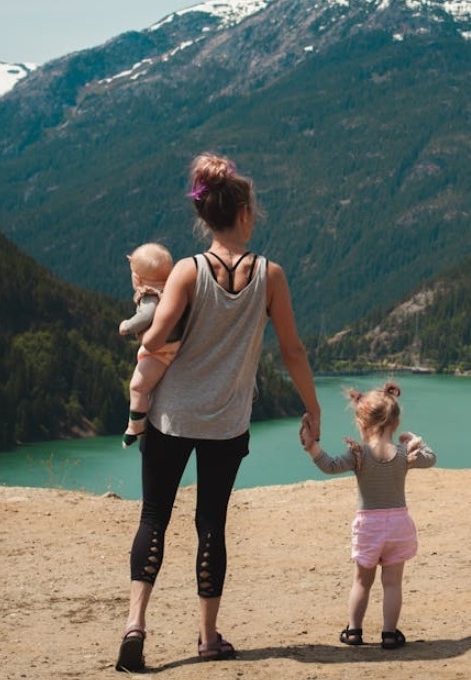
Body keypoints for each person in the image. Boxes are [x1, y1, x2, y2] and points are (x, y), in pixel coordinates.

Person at [114, 152, 322, 672]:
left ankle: (135, 625)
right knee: (212, 523)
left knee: (154, 517)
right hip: (227, 423)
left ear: (205, 217)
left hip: (171, 417)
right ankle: (208, 638)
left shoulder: (187, 271)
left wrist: (146, 323)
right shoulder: (271, 276)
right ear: (246, 214)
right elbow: (292, 350)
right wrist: (313, 407)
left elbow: (155, 338)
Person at [299, 381, 437, 650]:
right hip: (398, 526)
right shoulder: (404, 454)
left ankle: (354, 631)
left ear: (361, 423)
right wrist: (415, 440)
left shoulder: (359, 455)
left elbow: (330, 466)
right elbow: (431, 458)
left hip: (369, 528)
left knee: (362, 582)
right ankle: (389, 634)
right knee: (392, 584)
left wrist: (311, 446)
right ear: (395, 423)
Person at [118, 242, 182, 448]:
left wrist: (127, 326)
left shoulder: (149, 295)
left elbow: (146, 316)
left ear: (136, 278)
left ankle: (135, 426)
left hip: (161, 352)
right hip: (179, 345)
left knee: (137, 386)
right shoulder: (174, 290)